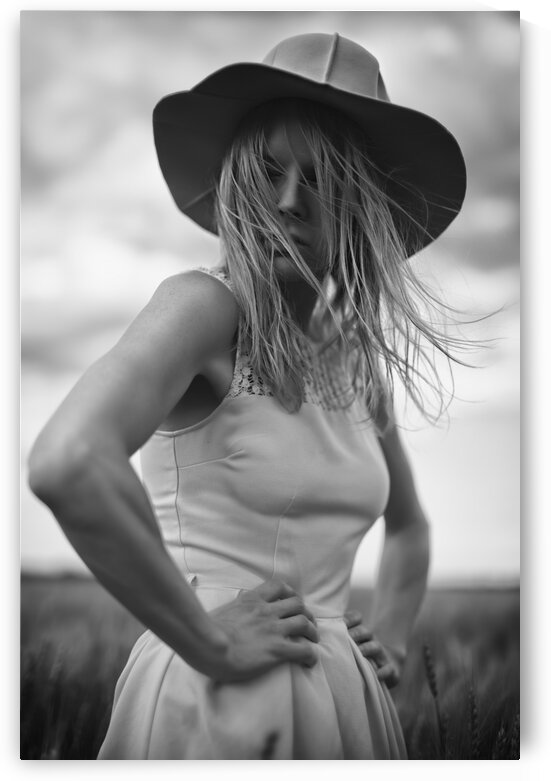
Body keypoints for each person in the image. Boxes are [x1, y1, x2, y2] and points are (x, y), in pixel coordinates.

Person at [28, 32, 466, 759]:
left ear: (361, 209)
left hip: (345, 709)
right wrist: (208, 640)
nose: (290, 200)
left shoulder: (355, 357)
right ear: (237, 178)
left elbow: (410, 527)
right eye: (269, 170)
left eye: (321, 179)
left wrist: (386, 634)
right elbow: (68, 460)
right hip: (214, 701)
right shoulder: (203, 306)